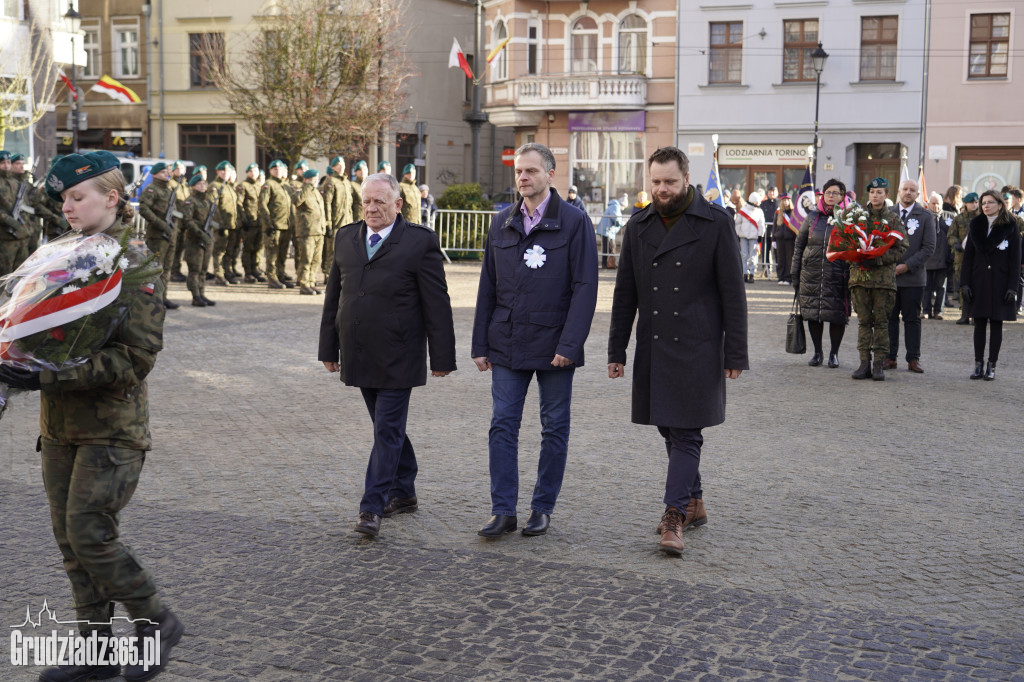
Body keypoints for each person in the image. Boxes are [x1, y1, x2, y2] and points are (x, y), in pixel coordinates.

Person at [0, 151, 183, 681]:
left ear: (112, 197)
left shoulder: (136, 264)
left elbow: (136, 359)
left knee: (89, 532)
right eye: (63, 198)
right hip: (59, 427)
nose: (67, 206)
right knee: (69, 540)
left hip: (111, 428)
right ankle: (97, 652)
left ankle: (157, 620)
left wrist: (45, 376)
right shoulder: (65, 255)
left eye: (77, 196)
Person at [607, 146, 748, 556]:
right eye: (655, 182)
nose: (661, 189)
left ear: (686, 179)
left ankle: (674, 517)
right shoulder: (638, 226)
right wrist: (617, 349)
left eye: (669, 181)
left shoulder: (716, 223)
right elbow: (625, 295)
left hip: (699, 346)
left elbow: (733, 295)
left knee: (686, 432)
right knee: (669, 428)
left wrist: (735, 353)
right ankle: (695, 501)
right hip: (654, 345)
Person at [471, 142, 598, 539]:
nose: (522, 178)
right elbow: (487, 286)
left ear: (550, 175)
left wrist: (570, 344)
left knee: (554, 427)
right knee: (502, 427)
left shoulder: (575, 222)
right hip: (506, 341)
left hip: (555, 344)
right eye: (518, 172)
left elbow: (585, 288)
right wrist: (480, 343)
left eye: (530, 171)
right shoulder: (501, 222)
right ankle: (503, 510)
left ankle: (542, 508)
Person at [318, 173, 456, 538]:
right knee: (387, 428)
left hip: (400, 353)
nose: (371, 207)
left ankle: (372, 506)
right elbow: (335, 296)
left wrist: (442, 357)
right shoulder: (346, 237)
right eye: (366, 201)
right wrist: (328, 348)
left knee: (387, 430)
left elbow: (437, 303)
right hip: (359, 351)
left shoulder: (418, 242)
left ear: (398, 204)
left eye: (379, 201)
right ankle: (405, 491)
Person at [849, 178, 907, 380]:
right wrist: (856, 256)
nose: (875, 195)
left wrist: (879, 259)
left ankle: (878, 365)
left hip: (883, 281)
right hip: (860, 279)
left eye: (879, 192)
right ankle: (864, 363)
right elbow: (845, 242)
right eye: (872, 192)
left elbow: (902, 248)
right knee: (864, 323)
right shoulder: (857, 218)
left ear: (887, 195)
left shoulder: (893, 220)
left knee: (881, 323)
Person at [961, 190, 1021, 381]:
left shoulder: (1010, 227)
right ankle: (978, 364)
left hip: (1000, 283)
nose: (985, 206)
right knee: (978, 323)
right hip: (978, 281)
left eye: (990, 202)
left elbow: (1015, 260)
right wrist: (964, 284)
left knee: (996, 323)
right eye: (983, 203)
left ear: (1000, 205)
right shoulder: (976, 225)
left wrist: (1013, 287)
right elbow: (968, 257)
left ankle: (991, 365)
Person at [791, 179, 850, 368]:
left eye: (835, 193)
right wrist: (795, 272)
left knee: (836, 315)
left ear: (842, 196)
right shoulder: (812, 217)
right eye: (828, 192)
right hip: (812, 273)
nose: (831, 196)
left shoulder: (848, 218)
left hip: (837, 274)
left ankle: (834, 354)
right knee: (813, 313)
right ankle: (817, 353)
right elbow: (800, 245)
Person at [884, 180, 935, 373]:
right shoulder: (888, 215)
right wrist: (891, 266)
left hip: (913, 278)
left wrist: (907, 266)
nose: (908, 193)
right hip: (889, 277)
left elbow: (929, 247)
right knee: (890, 318)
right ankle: (890, 357)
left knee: (912, 319)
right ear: (898, 192)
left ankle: (913, 359)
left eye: (912, 190)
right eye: (904, 189)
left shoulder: (926, 216)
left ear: (917, 194)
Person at [138, 161, 183, 310]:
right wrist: (160, 223)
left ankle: (163, 297)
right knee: (155, 268)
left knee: (167, 268)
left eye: (167, 172)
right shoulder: (152, 190)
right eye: (163, 172)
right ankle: (151, 299)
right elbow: (144, 209)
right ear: (154, 174)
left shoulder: (168, 190)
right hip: (157, 235)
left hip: (170, 234)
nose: (166, 174)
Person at [181, 174, 217, 307]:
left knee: (203, 269)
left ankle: (202, 293)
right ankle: (195, 296)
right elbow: (187, 221)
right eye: (199, 184)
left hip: (206, 239)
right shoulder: (190, 201)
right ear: (193, 186)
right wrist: (200, 233)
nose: (203, 186)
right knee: (194, 270)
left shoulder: (206, 201)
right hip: (194, 240)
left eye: (204, 184)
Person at [259, 159, 293, 290]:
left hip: (286, 225)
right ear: (270, 171)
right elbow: (262, 205)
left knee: (283, 253)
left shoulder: (286, 185)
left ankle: (280, 275)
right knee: (272, 253)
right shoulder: (269, 184)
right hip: (274, 226)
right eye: (275, 169)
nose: (278, 171)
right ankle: (272, 278)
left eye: (280, 169)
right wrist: (268, 224)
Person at [293, 168, 326, 295]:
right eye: (313, 179)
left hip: (318, 230)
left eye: (317, 179)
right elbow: (297, 201)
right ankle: (304, 284)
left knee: (316, 260)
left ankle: (311, 282)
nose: (316, 181)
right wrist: (307, 186)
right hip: (307, 231)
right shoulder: (302, 190)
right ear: (306, 180)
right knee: (306, 259)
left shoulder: (316, 192)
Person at [321, 157, 355, 280]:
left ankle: (342, 277)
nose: (341, 167)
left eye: (342, 165)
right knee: (332, 252)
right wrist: (328, 223)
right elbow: (327, 204)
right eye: (338, 165)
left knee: (345, 253)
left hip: (347, 223)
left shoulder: (347, 182)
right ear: (333, 167)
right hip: (336, 223)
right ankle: (329, 277)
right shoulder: (331, 182)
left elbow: (350, 205)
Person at [949, 192, 980, 324]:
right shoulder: (959, 219)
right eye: (971, 202)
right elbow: (951, 235)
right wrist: (956, 244)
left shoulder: (982, 218)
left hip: (979, 257)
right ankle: (965, 313)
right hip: (962, 257)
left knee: (978, 285)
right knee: (963, 284)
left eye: (976, 202)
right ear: (965, 204)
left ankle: (976, 314)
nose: (974, 205)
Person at [208, 161, 239, 286]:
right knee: (219, 251)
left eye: (228, 171)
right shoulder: (215, 186)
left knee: (230, 250)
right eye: (223, 171)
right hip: (221, 225)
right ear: (218, 172)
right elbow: (212, 206)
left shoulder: (229, 186)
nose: (226, 173)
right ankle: (219, 275)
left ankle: (227, 272)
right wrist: (218, 224)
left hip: (232, 224)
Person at [924, 192, 954, 320]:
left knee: (941, 286)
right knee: (926, 286)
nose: (936, 206)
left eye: (938, 203)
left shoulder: (950, 217)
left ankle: (939, 311)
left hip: (943, 258)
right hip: (927, 259)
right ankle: (925, 310)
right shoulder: (924, 216)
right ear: (928, 204)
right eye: (933, 203)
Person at [237, 162, 266, 283]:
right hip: (249, 223)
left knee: (258, 248)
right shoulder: (243, 185)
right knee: (248, 248)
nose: (254, 173)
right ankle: (248, 272)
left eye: (256, 171)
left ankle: (255, 270)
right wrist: (244, 219)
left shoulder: (260, 186)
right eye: (251, 171)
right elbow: (239, 203)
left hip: (260, 222)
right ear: (247, 173)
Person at [735, 191, 765, 283]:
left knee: (752, 256)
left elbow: (761, 225)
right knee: (744, 255)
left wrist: (760, 236)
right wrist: (739, 235)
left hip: (754, 237)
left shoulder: (759, 211)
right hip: (743, 236)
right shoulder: (743, 210)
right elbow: (738, 224)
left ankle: (751, 274)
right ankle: (744, 274)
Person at [597, 193, 627, 268]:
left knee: (610, 247)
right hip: (607, 231)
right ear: (622, 204)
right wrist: (622, 223)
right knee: (608, 247)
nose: (624, 208)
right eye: (624, 206)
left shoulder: (614, 206)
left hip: (608, 231)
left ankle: (609, 263)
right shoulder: (615, 206)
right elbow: (615, 218)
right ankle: (606, 264)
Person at [774, 194, 798, 285]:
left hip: (790, 239)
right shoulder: (778, 212)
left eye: (787, 200)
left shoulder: (793, 212)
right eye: (783, 200)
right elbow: (774, 227)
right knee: (780, 258)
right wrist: (773, 240)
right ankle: (781, 277)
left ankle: (788, 278)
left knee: (789, 259)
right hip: (780, 238)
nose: (785, 202)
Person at [760, 187, 779, 276]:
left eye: (773, 192)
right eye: (770, 192)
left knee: (777, 252)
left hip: (777, 232)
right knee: (765, 251)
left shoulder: (779, 203)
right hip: (766, 231)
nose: (771, 194)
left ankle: (779, 270)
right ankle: (766, 269)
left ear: (777, 193)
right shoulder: (763, 204)